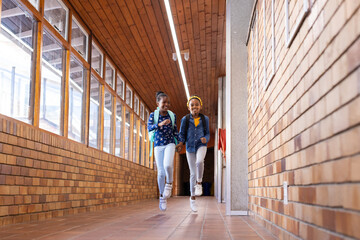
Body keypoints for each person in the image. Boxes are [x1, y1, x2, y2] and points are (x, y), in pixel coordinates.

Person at [177, 95, 210, 212]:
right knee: (192, 173)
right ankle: (192, 198)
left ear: (200, 107)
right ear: (188, 107)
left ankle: (199, 182)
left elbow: (208, 134)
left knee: (200, 161)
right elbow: (181, 134)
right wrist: (180, 143)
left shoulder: (205, 119)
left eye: (196, 104)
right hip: (190, 147)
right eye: (192, 105)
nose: (194, 106)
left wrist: (206, 139)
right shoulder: (185, 120)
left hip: (201, 145)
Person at [148, 91, 179, 211]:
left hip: (170, 143)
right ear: (157, 103)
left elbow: (175, 130)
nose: (166, 104)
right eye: (164, 102)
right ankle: (162, 197)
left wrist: (179, 142)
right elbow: (149, 127)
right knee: (160, 172)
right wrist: (159, 124)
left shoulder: (172, 115)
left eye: (168, 102)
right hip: (158, 145)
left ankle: (169, 183)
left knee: (167, 165)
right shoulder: (153, 115)